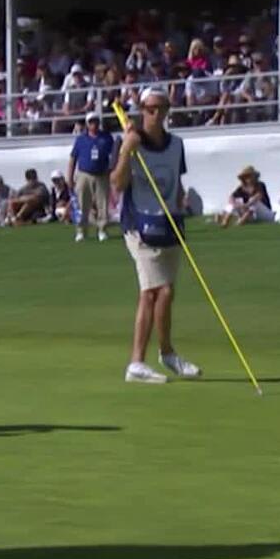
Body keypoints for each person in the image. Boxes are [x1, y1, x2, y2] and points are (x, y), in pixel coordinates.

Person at [112, 88, 201, 385]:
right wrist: (126, 152)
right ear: (142, 110)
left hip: (169, 223)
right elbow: (117, 183)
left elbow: (176, 181)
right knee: (152, 291)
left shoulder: (176, 145)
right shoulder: (130, 141)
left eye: (162, 108)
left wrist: (181, 205)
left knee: (167, 292)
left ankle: (167, 353)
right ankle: (136, 363)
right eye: (150, 109)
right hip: (139, 225)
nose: (156, 114)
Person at [68, 110, 115, 242]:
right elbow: (73, 158)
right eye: (91, 122)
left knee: (102, 204)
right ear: (87, 124)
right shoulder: (81, 139)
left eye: (95, 121)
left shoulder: (106, 137)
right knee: (82, 204)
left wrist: (112, 170)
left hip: (102, 174)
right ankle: (81, 230)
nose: (94, 124)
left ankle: (102, 229)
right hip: (84, 174)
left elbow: (114, 155)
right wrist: (69, 177)